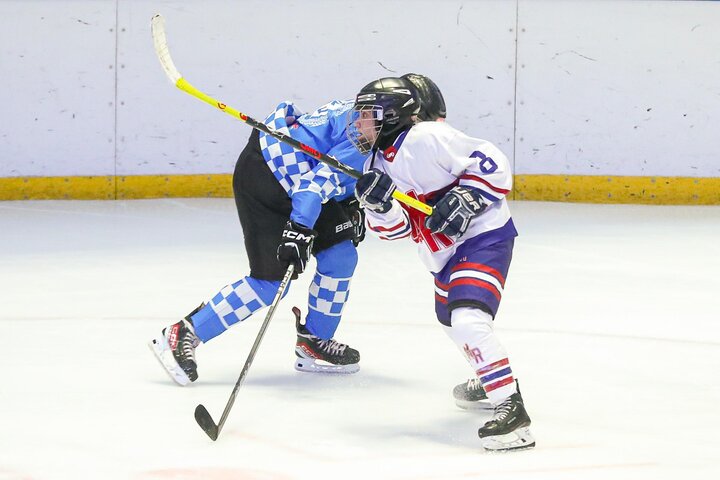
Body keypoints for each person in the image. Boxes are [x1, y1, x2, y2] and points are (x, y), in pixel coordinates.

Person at [149, 75, 447, 386]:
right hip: (267, 178)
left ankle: (314, 341)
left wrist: (350, 204)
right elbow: (315, 185)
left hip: (305, 178)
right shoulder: (369, 135)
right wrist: (299, 229)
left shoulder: (376, 124)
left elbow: (339, 175)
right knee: (270, 282)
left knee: (340, 256)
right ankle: (185, 333)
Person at [348, 77, 535, 451]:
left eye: (368, 115)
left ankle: (512, 411)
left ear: (393, 115)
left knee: (468, 318)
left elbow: (492, 162)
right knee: (451, 321)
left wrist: (467, 196)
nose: (360, 124)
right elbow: (397, 230)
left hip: (484, 236)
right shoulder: (376, 165)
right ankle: (489, 377)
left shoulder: (426, 138)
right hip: (442, 253)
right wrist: (379, 206)